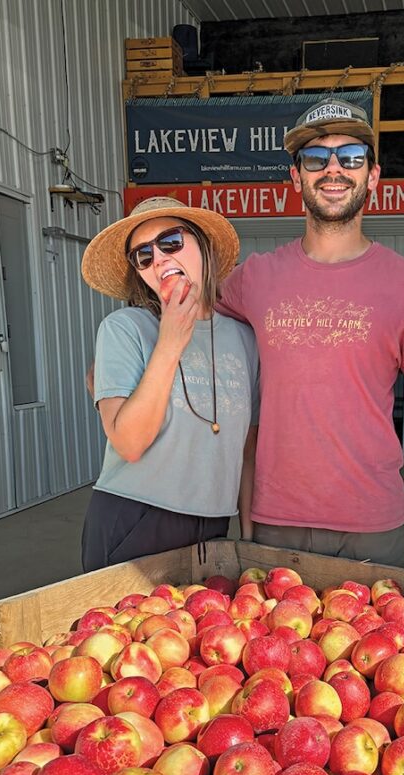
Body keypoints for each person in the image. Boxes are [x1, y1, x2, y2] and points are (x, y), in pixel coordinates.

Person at [216, 99, 404, 567]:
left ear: (373, 176)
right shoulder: (253, 279)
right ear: (296, 177)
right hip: (277, 516)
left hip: (373, 521)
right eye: (316, 158)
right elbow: (193, 320)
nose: (333, 169)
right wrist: (128, 347)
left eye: (351, 156)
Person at [79, 196, 259, 571]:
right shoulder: (125, 329)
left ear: (204, 247)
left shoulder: (245, 339)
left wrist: (249, 539)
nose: (159, 258)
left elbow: (246, 452)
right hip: (136, 516)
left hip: (214, 524)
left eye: (171, 242)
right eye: (143, 255)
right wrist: (169, 343)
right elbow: (129, 443)